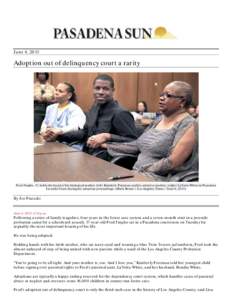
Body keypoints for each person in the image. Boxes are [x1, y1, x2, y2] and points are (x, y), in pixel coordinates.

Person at [104, 81, 198, 181]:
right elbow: (138, 145)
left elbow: (173, 162)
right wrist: (107, 145)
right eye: (162, 94)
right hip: (136, 174)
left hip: (159, 178)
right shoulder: (158, 120)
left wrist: (142, 171)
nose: (162, 98)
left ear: (182, 101)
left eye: (168, 95)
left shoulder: (189, 124)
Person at [58, 74, 138, 160]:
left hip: (107, 160)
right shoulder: (94, 108)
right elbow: (85, 132)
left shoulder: (120, 113)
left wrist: (108, 136)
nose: (100, 92)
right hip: (87, 155)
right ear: (93, 90)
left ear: (113, 90)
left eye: (105, 89)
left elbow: (133, 142)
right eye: (97, 88)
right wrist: (59, 134)